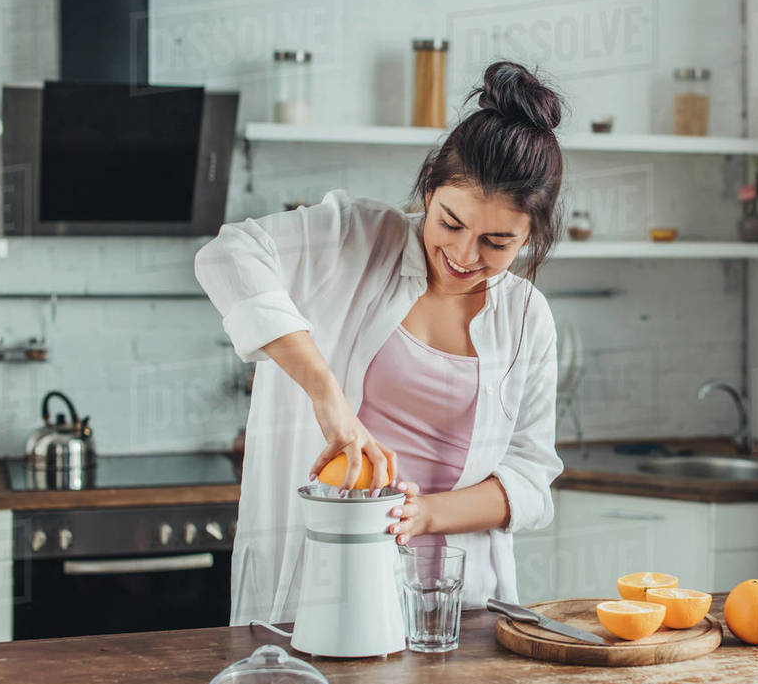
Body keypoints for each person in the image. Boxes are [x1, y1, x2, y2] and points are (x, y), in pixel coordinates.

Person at [195, 61, 565, 624]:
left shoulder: (525, 316)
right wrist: (327, 395)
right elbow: (227, 255)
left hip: (458, 606)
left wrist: (425, 514)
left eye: (496, 242)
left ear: (532, 237)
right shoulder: (355, 238)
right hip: (323, 592)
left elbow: (531, 479)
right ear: (429, 187)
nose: (464, 256)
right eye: (450, 223)